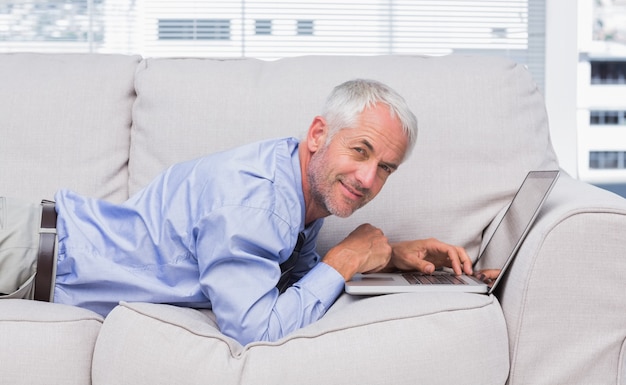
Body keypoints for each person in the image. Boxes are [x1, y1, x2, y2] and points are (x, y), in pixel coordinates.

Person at [0, 79, 476, 346]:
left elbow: (286, 279)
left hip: (36, 247)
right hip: (24, 251)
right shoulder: (258, 201)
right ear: (317, 135)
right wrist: (347, 259)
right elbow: (257, 328)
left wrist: (388, 255)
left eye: (385, 167)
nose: (368, 179)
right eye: (360, 151)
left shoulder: (294, 189)